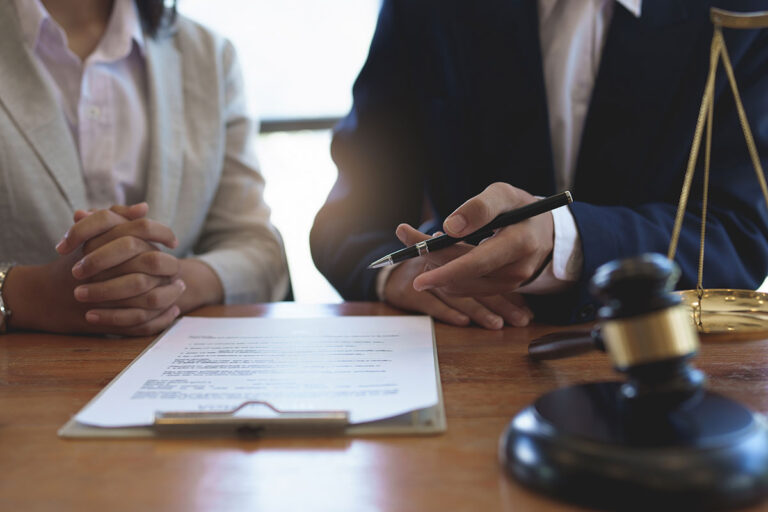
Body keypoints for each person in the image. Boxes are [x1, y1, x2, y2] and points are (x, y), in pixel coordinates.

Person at [311, 0, 768, 328]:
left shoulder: (743, 15)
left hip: (670, 364)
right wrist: (398, 274)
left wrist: (568, 240)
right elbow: (348, 222)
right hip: (467, 357)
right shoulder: (425, 11)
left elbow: (741, 235)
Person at [0, 0, 289, 336]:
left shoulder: (209, 55)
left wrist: (165, 284)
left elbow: (260, 251)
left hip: (169, 371)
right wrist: (29, 294)